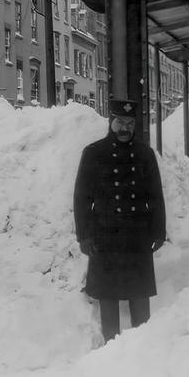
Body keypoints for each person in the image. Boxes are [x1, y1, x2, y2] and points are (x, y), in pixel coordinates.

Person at [73, 98, 167, 344]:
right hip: (106, 236)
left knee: (139, 296)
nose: (124, 128)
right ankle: (111, 348)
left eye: (129, 123)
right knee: (108, 296)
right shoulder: (94, 153)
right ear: (110, 121)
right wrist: (84, 235)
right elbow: (82, 198)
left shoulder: (145, 154)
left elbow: (155, 195)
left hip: (137, 235)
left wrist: (158, 231)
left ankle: (142, 345)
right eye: (120, 122)